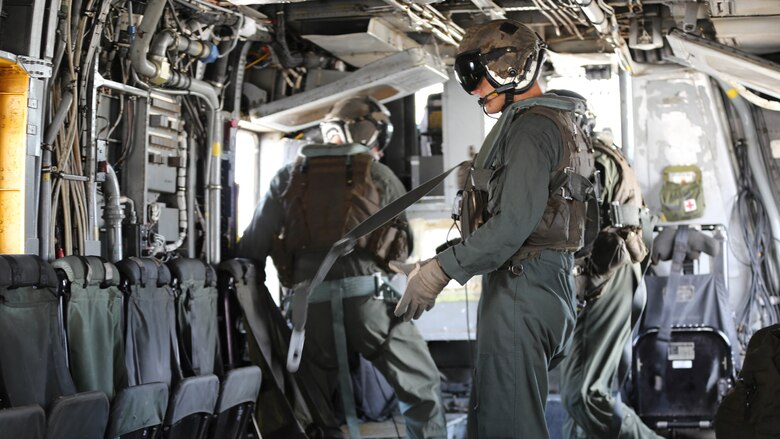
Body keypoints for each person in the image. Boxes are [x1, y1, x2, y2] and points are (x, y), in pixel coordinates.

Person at [392, 19, 595, 438]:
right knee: (494, 419)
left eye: (477, 77)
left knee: (510, 427)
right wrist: (436, 262)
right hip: (540, 285)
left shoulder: (530, 128)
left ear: (510, 70)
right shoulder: (557, 123)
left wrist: (440, 272)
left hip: (521, 287)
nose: (475, 90)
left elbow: (513, 225)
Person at [237, 95, 447, 439]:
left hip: (308, 312)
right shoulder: (379, 174)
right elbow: (402, 245)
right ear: (368, 134)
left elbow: (252, 248)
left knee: (310, 405)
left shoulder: (287, 177)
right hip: (370, 308)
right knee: (422, 388)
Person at [550, 93, 661, 439]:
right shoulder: (599, 154)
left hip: (602, 278)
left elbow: (576, 235)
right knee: (584, 387)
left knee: (583, 396)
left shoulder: (588, 162)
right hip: (616, 274)